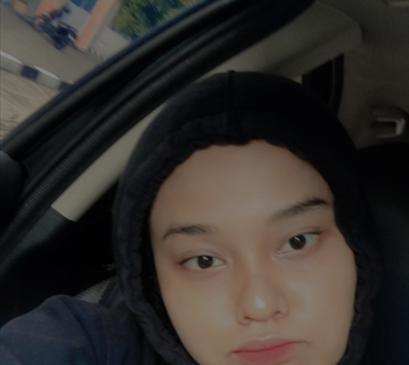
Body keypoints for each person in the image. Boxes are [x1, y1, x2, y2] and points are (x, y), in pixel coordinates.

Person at [0, 71, 381, 365]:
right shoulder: (91, 342)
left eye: (297, 241)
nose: (259, 304)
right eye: (203, 260)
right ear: (153, 280)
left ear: (358, 250)